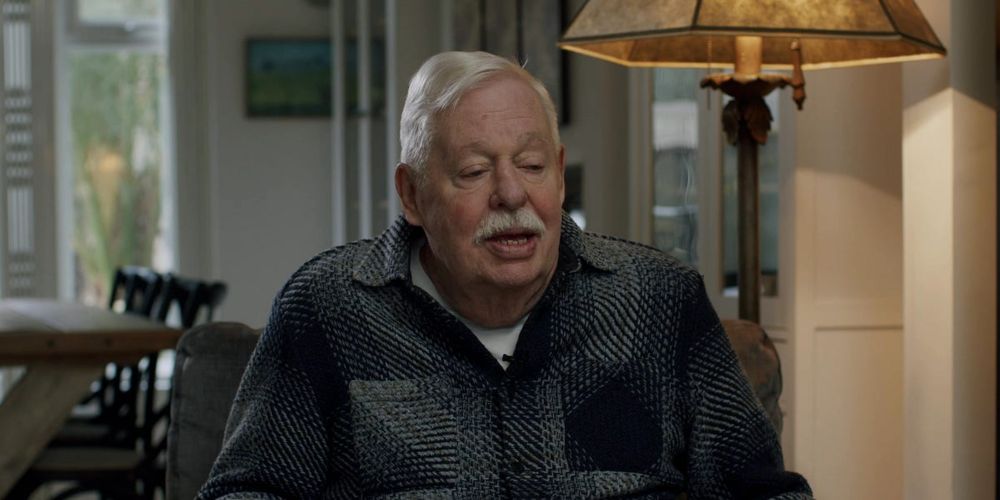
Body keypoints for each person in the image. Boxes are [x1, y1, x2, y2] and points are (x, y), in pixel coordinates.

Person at [198, 51, 812, 499]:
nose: (512, 193)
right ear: (412, 195)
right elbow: (247, 490)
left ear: (560, 175)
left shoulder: (660, 300)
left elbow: (763, 490)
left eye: (532, 165)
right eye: (473, 171)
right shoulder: (327, 308)